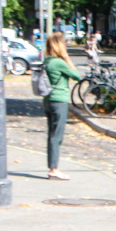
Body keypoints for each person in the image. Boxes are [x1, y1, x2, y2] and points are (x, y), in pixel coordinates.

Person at [42, 31, 83, 181]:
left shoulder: (47, 61)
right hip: (59, 100)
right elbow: (77, 75)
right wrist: (66, 57)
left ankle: (52, 167)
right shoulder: (59, 62)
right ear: (60, 45)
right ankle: (53, 169)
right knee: (56, 136)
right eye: (64, 43)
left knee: (52, 134)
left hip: (48, 99)